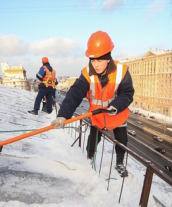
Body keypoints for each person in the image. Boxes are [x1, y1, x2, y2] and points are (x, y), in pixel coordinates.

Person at [51, 31, 134, 177]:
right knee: (92, 141)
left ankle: (119, 163)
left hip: (117, 116)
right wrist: (63, 114)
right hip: (97, 117)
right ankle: (90, 159)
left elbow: (127, 93)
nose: (95, 65)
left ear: (108, 58)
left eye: (99, 60)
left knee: (121, 142)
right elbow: (75, 93)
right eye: (92, 60)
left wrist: (116, 105)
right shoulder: (87, 73)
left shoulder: (122, 71)